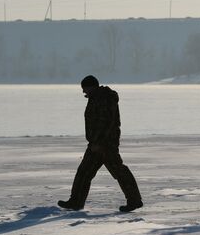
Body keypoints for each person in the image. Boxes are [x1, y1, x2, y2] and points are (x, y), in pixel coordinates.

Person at [58, 75, 143, 212]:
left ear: (91, 87)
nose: (83, 92)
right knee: (84, 173)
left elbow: (105, 122)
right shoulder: (96, 98)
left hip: (105, 144)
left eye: (84, 89)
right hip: (96, 144)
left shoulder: (104, 98)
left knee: (119, 171)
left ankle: (134, 200)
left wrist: (99, 142)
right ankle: (76, 202)